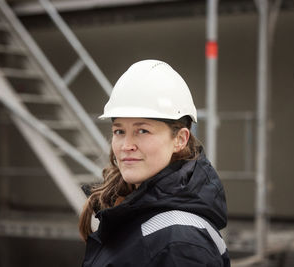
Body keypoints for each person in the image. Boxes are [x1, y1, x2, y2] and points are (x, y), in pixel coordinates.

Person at [79, 59, 230, 266]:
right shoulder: (132, 210)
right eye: (119, 131)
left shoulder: (182, 242)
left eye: (143, 131)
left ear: (180, 139)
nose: (126, 145)